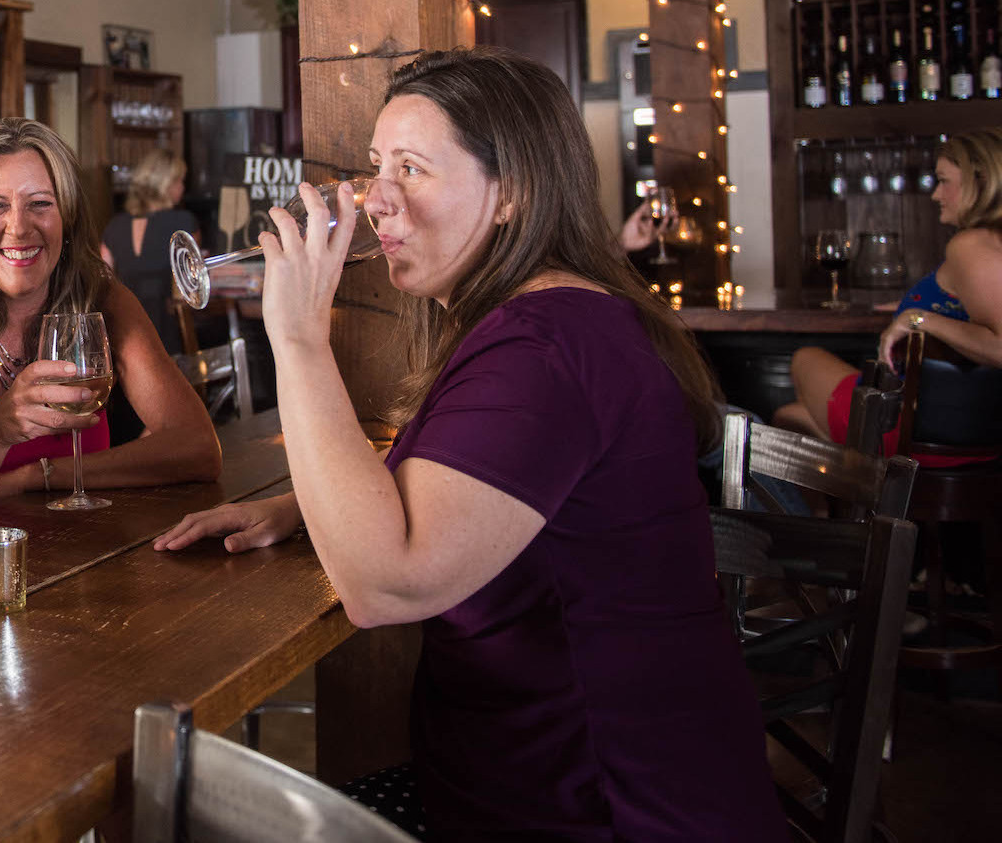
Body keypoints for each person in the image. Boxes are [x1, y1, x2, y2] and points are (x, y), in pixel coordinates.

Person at [155, 48, 784, 842]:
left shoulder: (545, 346)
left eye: (412, 169)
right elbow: (475, 490)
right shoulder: (543, 321)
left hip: (605, 805)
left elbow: (386, 585)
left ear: (513, 191)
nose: (375, 201)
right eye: (377, 166)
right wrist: (306, 504)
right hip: (527, 781)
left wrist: (299, 340)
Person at [0, 118, 222, 499]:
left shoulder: (100, 296)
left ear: (68, 216)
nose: (19, 227)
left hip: (90, 546)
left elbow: (199, 449)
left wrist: (36, 475)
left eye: (41, 203)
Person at [777, 128, 1002, 464]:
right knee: (790, 420)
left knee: (804, 359)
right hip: (964, 428)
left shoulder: (971, 245)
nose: (936, 194)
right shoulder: (988, 244)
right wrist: (907, 306)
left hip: (933, 435)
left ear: (980, 181)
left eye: (944, 180)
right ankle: (843, 511)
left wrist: (919, 318)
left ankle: (867, 506)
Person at [99, 147, 203, 356]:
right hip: (171, 335)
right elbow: (190, 288)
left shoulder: (114, 227)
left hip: (123, 337)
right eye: (179, 180)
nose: (182, 187)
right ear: (165, 184)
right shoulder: (184, 223)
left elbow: (102, 284)